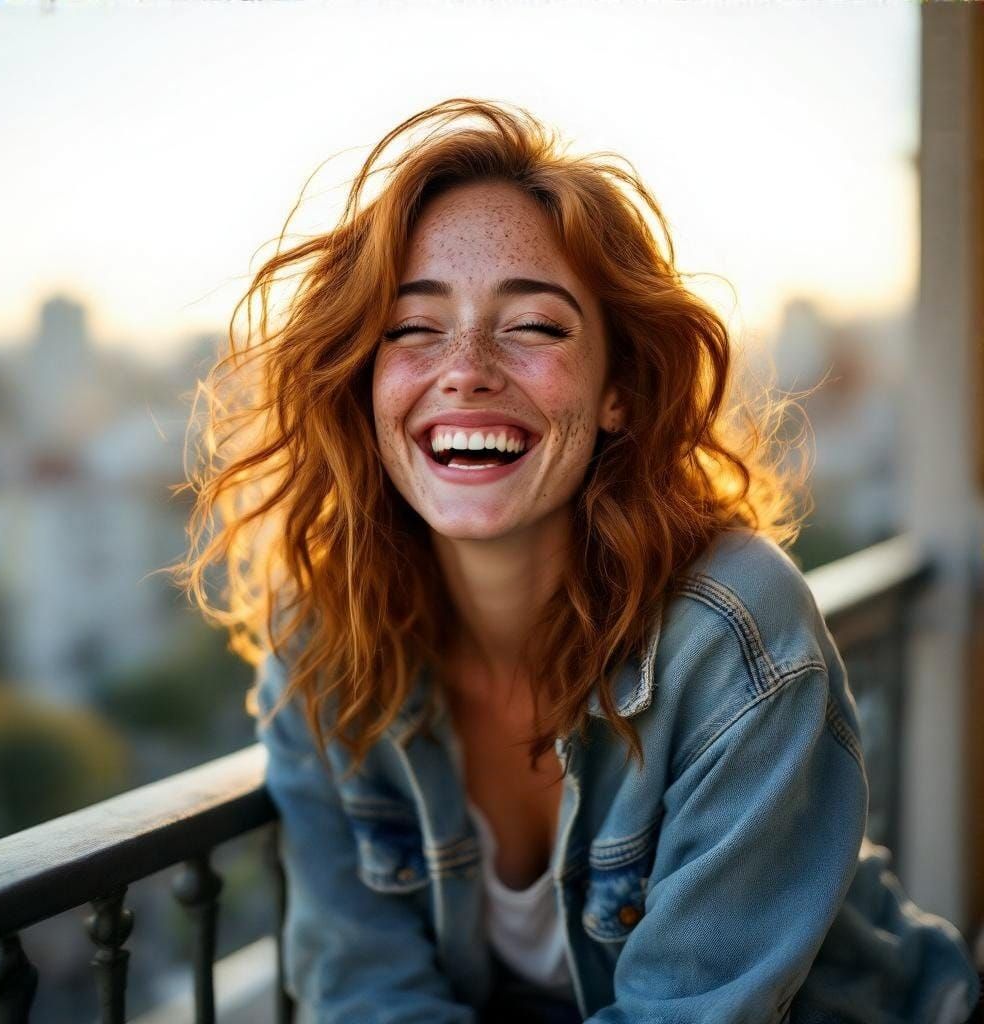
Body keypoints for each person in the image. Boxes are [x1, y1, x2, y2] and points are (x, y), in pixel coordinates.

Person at [172, 98, 982, 1023]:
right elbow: (365, 991)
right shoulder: (321, 645)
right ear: (363, 383)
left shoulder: (740, 638)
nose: (467, 367)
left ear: (620, 394)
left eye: (537, 328)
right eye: (412, 327)